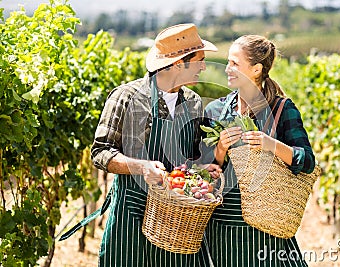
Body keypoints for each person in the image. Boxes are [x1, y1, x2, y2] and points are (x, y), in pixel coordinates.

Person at [60, 23, 221, 266]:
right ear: (178, 63)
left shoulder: (193, 103)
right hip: (131, 214)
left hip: (175, 222)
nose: (204, 67)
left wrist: (201, 169)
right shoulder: (126, 96)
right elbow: (101, 152)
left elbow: (189, 159)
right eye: (199, 60)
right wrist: (140, 167)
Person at [202, 35, 315, 266]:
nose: (227, 69)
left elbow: (307, 161)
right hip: (223, 224)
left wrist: (271, 145)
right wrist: (221, 148)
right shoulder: (216, 109)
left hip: (266, 223)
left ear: (256, 69)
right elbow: (206, 169)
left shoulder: (282, 109)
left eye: (235, 63)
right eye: (228, 62)